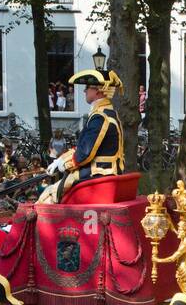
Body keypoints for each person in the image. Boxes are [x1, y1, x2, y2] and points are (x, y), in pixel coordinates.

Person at [40, 67, 124, 203]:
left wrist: (64, 164)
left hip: (97, 173)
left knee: (47, 196)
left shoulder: (100, 117)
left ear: (98, 90)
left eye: (87, 87)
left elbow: (85, 153)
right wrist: (60, 160)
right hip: (103, 171)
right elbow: (83, 147)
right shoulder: (108, 113)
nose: (84, 90)